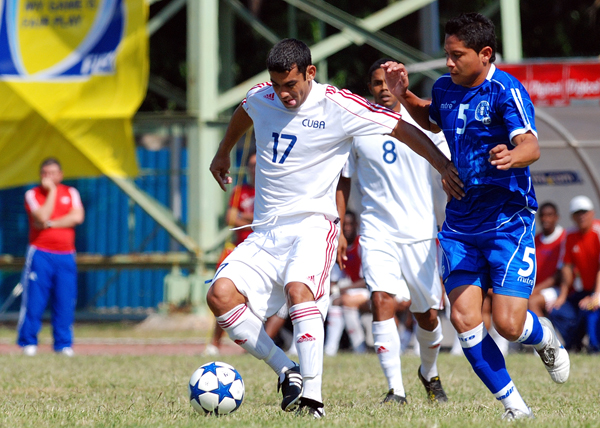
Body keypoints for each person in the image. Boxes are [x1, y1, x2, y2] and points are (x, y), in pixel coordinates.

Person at [207, 38, 462, 418]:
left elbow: (400, 127)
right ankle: (287, 371)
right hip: (266, 231)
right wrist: (224, 151)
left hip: (313, 225)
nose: (284, 94)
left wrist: (443, 166)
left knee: (300, 291)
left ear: (310, 73)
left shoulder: (340, 105)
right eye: (277, 86)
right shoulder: (262, 96)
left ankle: (313, 400)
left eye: (290, 85)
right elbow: (245, 111)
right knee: (219, 296)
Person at [384, 13, 570, 420]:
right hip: (460, 225)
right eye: (446, 55)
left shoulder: (507, 90)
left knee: (507, 324)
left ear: (484, 54)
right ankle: (516, 408)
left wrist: (512, 155)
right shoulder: (443, 88)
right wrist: (405, 96)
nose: (448, 63)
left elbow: (531, 145)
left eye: (456, 55)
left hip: (507, 220)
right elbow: (431, 118)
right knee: (465, 319)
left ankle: (541, 336)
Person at [337, 58, 450, 405]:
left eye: (388, 81)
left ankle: (428, 372)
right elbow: (343, 179)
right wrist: (341, 226)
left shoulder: (428, 126)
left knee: (427, 316)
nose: (383, 88)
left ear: (401, 83)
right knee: (380, 299)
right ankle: (395, 391)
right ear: (369, 88)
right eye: (376, 83)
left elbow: (448, 172)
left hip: (419, 232)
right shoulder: (356, 126)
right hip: (376, 230)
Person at [17, 157, 85, 357]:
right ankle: (28, 342)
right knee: (35, 301)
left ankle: (63, 344)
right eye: (45, 173)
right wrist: (53, 193)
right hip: (40, 253)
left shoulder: (71, 192)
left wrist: (50, 224)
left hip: (66, 254)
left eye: (53, 173)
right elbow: (41, 216)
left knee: (65, 300)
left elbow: (77, 217)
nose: (49, 177)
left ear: (61, 175)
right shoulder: (33, 194)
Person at [204, 153, 256, 356]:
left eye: (256, 164)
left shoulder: (268, 189)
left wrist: (244, 217)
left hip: (260, 252)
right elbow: (231, 218)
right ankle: (215, 343)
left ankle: (250, 344)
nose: (253, 168)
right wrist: (253, 220)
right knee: (222, 296)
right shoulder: (240, 190)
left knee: (253, 301)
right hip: (238, 249)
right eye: (250, 165)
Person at [550, 195, 600, 352]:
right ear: (572, 216)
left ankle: (594, 348)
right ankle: (574, 345)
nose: (581, 216)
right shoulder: (570, 236)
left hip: (597, 290)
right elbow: (566, 267)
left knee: (589, 310)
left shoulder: (598, 232)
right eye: (577, 213)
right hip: (583, 291)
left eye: (584, 212)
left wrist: (597, 295)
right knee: (556, 310)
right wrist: (562, 296)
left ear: (592, 213)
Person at [528, 202, 567, 317]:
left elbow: (559, 275)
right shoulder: (536, 239)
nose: (546, 219)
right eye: (543, 215)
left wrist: (536, 290)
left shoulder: (564, 237)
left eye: (549, 215)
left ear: (556, 217)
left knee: (532, 302)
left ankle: (545, 334)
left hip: (556, 289)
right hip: (537, 288)